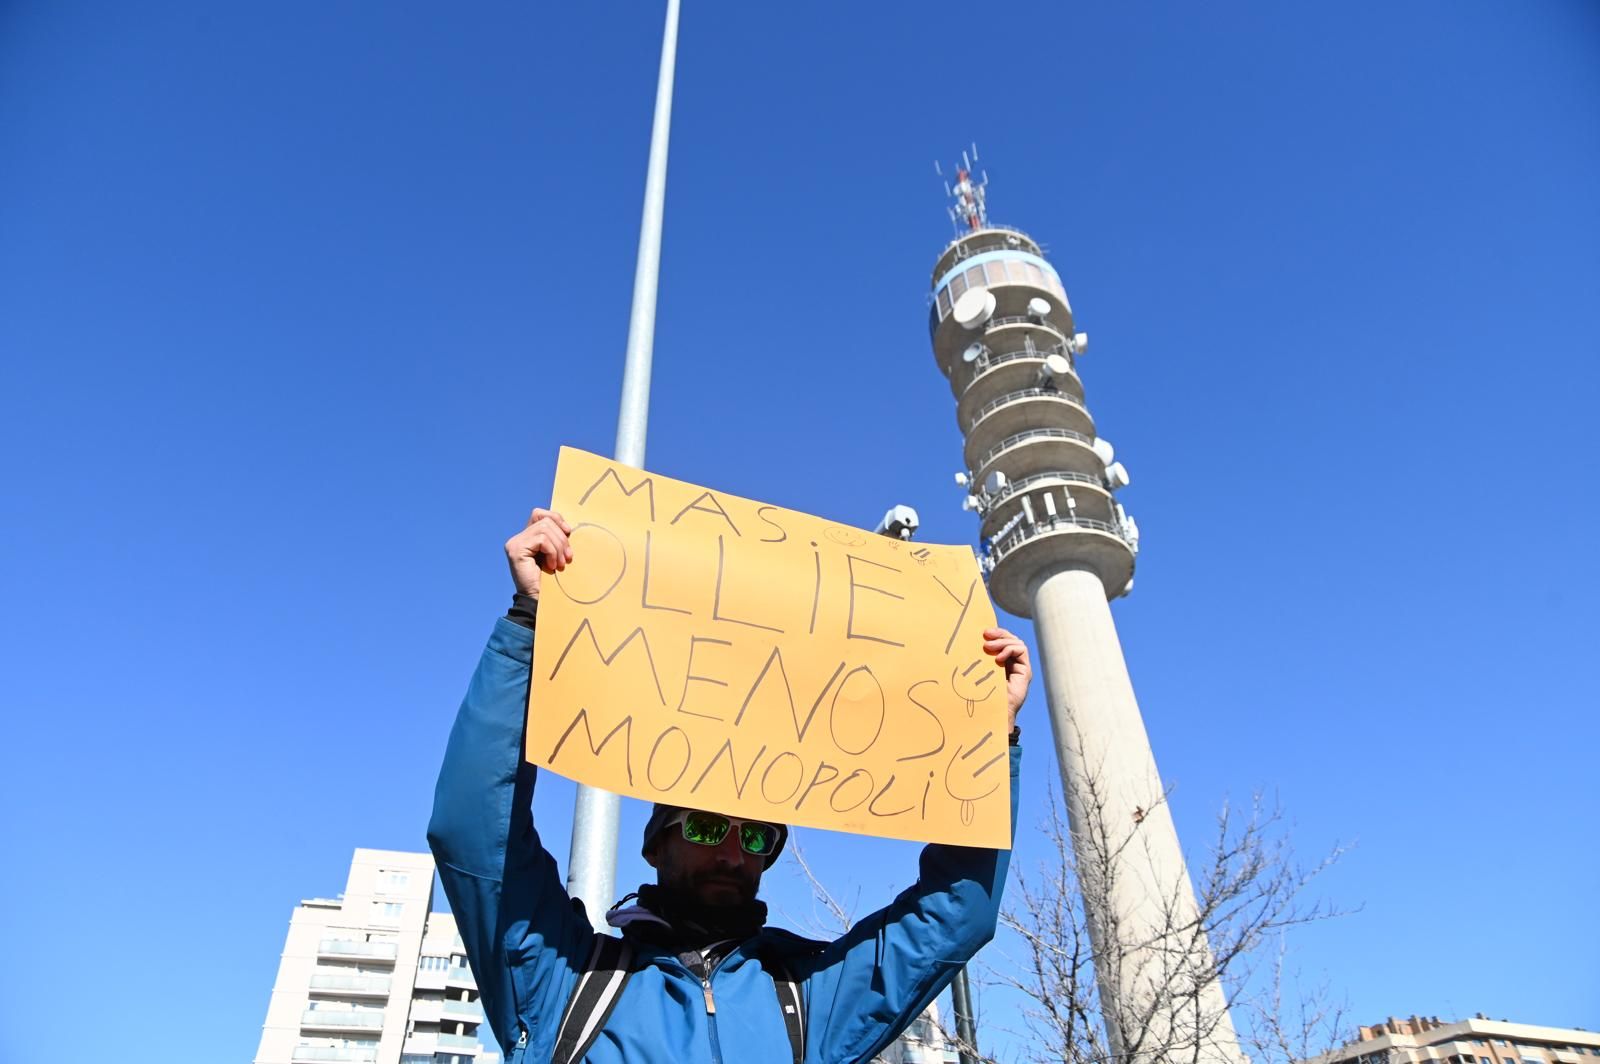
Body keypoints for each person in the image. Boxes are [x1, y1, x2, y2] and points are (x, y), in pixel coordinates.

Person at [428, 507, 1032, 1064]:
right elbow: (475, 832)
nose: (732, 853)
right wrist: (530, 622)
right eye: (707, 826)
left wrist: (988, 740)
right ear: (654, 843)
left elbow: (958, 914)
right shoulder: (567, 983)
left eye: (758, 838)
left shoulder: (808, 1003)